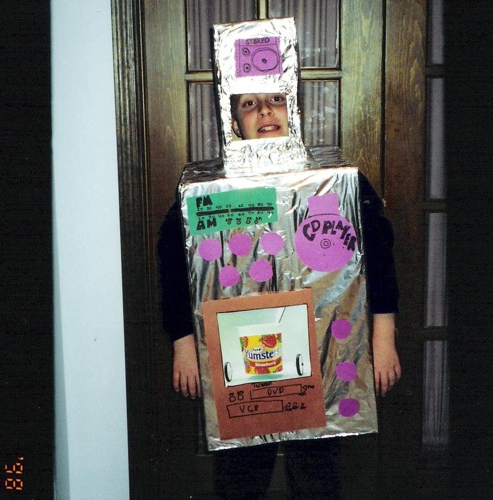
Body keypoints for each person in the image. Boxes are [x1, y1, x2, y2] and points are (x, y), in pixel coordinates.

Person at [158, 105, 401, 498]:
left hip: (321, 353)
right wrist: (183, 343)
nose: (265, 110)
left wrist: (384, 335)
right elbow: (173, 263)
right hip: (242, 358)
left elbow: (378, 252)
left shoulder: (334, 181)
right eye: (249, 104)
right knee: (240, 470)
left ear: (294, 108)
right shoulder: (210, 190)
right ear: (234, 120)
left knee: (317, 468)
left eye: (275, 97)